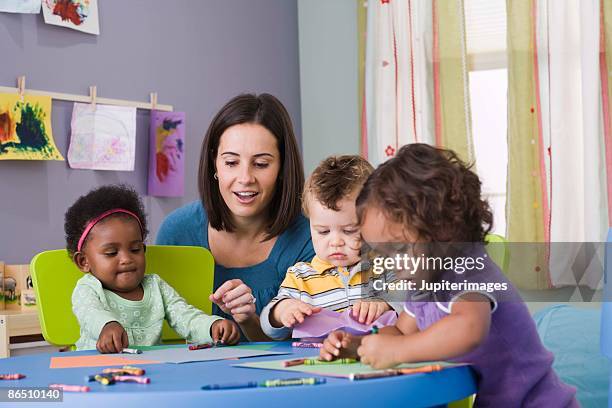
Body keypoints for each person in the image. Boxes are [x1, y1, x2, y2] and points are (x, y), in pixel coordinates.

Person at [319, 144, 578, 407]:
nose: (390, 263)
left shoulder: (469, 268)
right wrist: (361, 345)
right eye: (380, 253)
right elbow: (400, 331)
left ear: (441, 228)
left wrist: (396, 351)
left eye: (398, 249)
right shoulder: (421, 282)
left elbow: (469, 327)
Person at [156, 94, 315, 340]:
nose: (244, 178)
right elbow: (157, 331)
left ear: (283, 168)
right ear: (214, 164)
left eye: (261, 164)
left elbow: (303, 348)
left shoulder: (311, 238)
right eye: (231, 162)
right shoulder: (177, 231)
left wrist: (248, 320)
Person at [66, 185, 240, 353]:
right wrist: (107, 325)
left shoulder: (155, 286)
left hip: (150, 372)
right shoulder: (88, 288)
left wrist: (212, 326)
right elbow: (90, 313)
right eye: (111, 253)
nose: (126, 259)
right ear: (83, 261)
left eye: (135, 249)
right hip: (96, 370)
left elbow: (185, 316)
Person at [260, 155, 394, 340]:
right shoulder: (301, 277)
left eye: (349, 230)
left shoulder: (386, 267)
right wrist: (284, 310)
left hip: (372, 360)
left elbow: (414, 307)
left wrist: (384, 304)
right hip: (317, 363)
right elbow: (269, 325)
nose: (335, 242)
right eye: (323, 231)